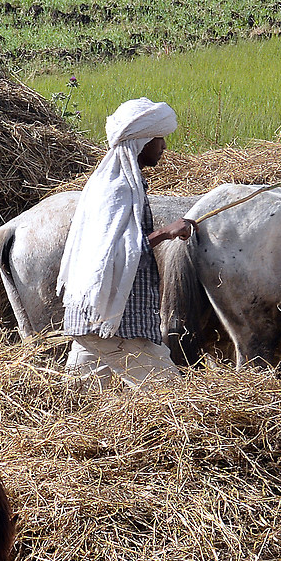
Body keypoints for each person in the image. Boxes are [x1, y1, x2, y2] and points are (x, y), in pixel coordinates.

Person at [58, 98, 194, 385]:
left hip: (91, 324)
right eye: (159, 139)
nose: (164, 147)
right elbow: (111, 254)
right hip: (117, 326)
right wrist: (166, 233)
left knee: (81, 403)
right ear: (142, 141)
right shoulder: (118, 189)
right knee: (172, 396)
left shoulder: (111, 183)